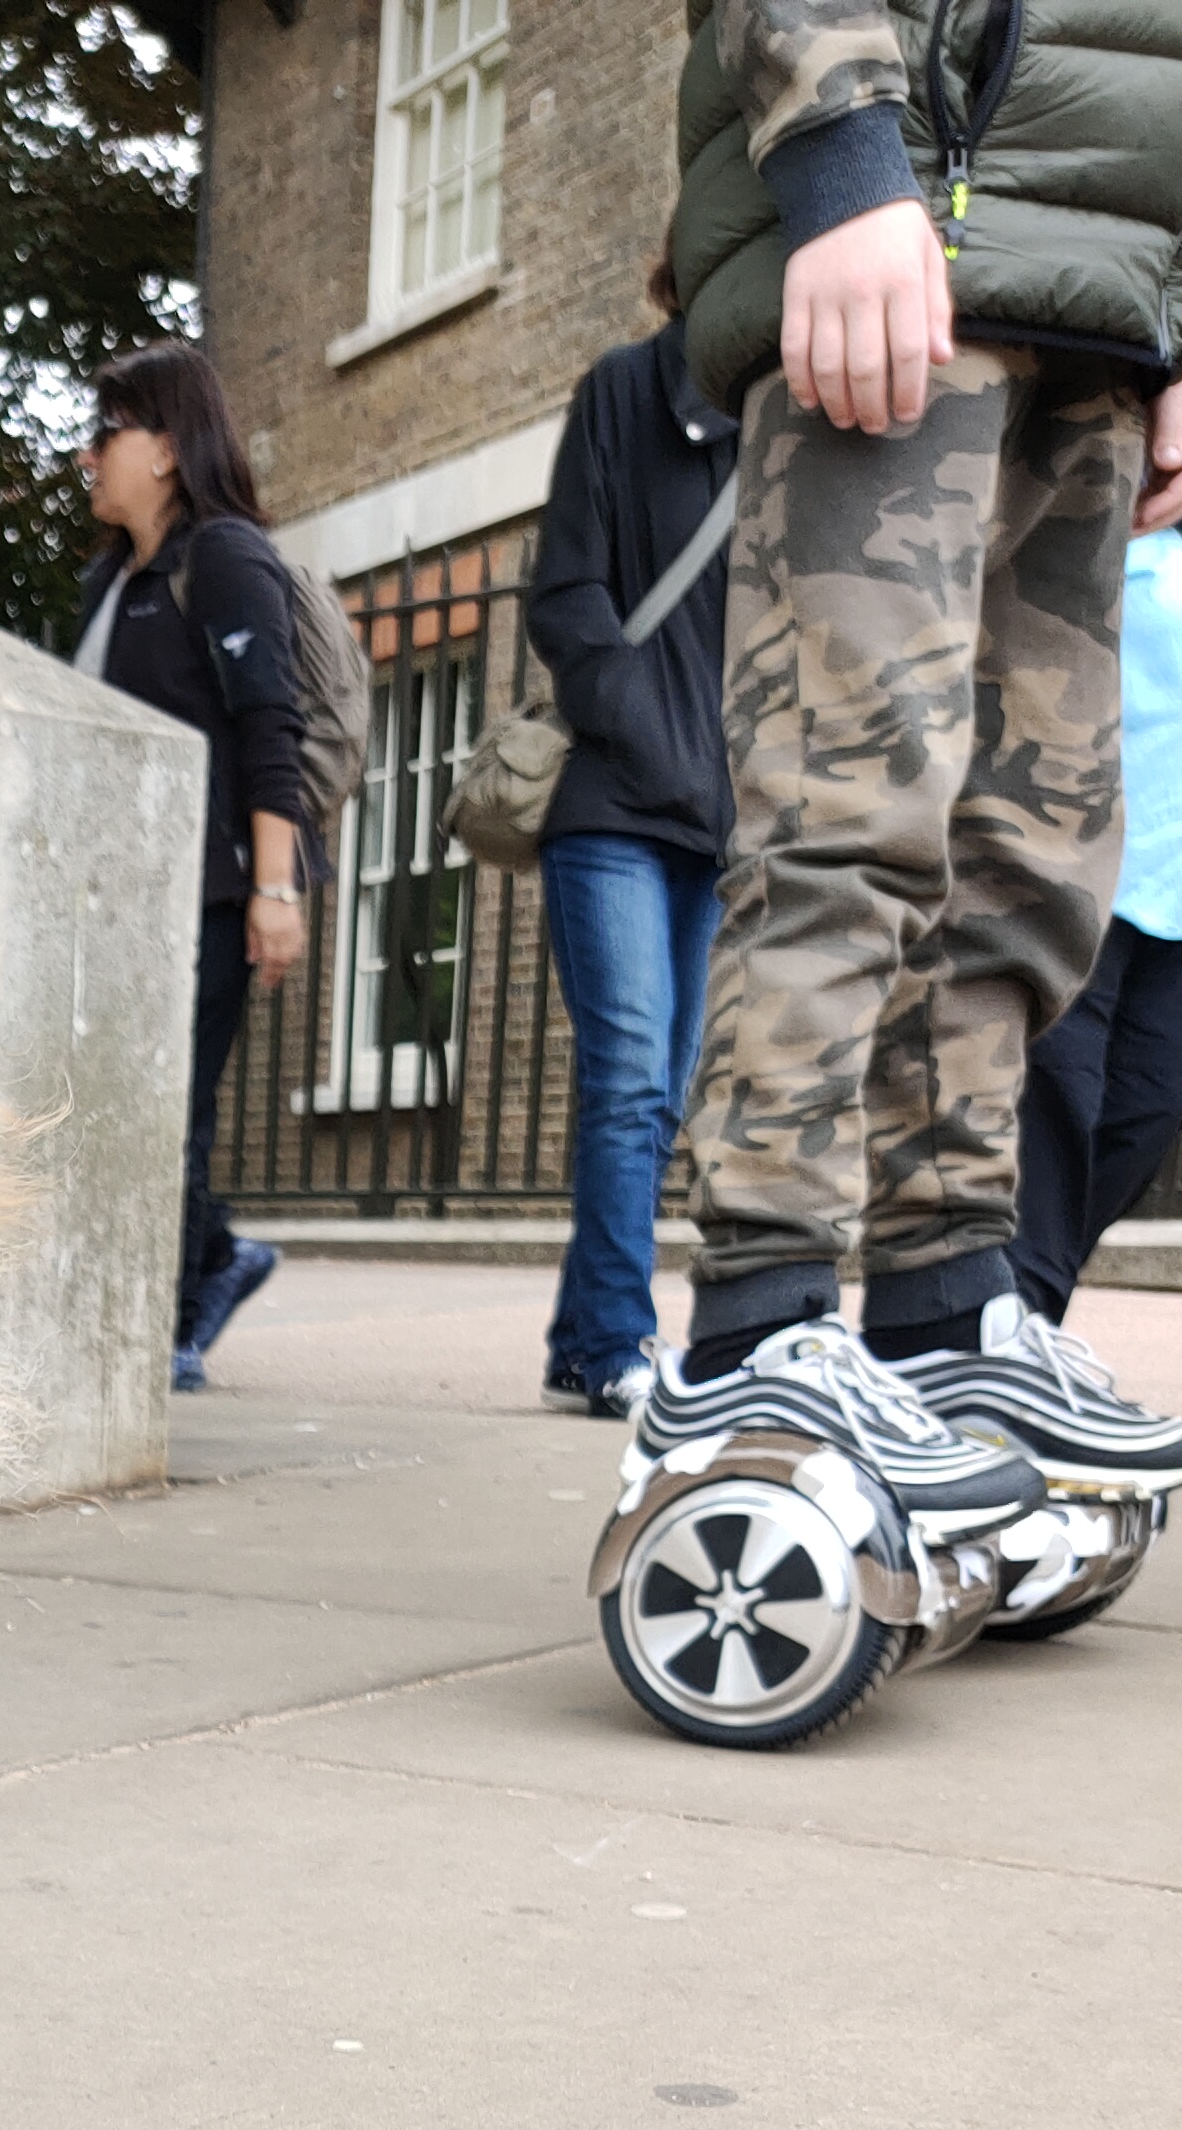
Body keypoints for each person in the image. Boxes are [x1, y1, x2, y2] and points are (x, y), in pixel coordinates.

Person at [640, 0, 1182, 1527]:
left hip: (1108, 283)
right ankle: (756, 1326)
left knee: (1027, 856)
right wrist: (841, 149)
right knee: (846, 810)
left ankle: (947, 1308)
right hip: (908, 222)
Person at [72, 338, 320, 1390]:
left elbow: (271, 726)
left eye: (107, 433)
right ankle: (214, 1257)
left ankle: (160, 1331)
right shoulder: (108, 582)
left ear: (168, 449)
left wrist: (274, 888)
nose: (87, 456)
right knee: (118, 1100)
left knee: (168, 1104)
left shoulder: (223, 559)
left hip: (211, 891)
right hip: (119, 900)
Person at [525, 262, 738, 1420]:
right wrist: (651, 739)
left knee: (659, 1095)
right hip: (612, 810)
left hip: (713, 826)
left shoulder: (780, 427)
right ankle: (616, 1339)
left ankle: (579, 1336)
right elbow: (566, 596)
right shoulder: (619, 393)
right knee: (626, 1076)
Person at [1013, 528, 1182, 1320]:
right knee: (1060, 1100)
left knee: (1147, 1113)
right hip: (1086, 874)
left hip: (1174, 900)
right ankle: (1019, 1318)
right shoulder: (1112, 532)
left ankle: (1008, 1303)